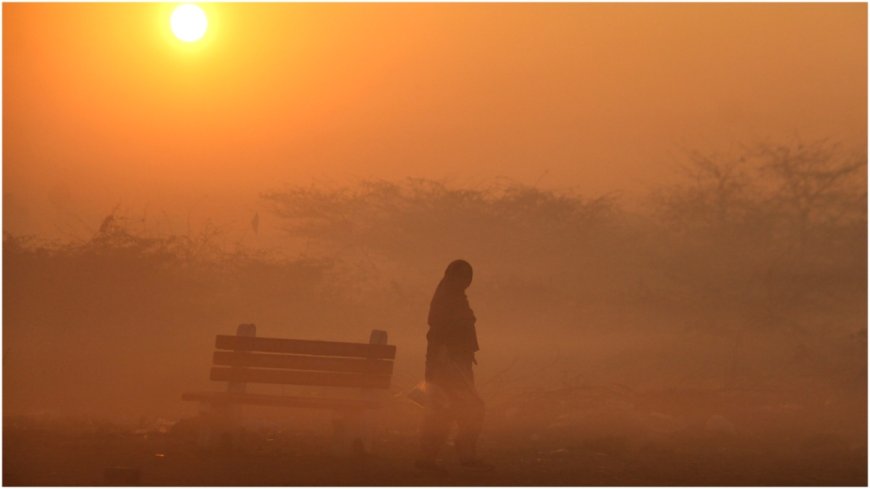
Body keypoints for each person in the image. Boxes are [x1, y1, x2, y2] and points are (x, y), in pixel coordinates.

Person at [416, 259, 491, 472]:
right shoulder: (448, 299)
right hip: (450, 364)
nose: (467, 282)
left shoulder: (450, 296)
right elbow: (439, 333)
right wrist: (443, 362)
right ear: (454, 277)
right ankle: (457, 453)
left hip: (455, 363)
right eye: (464, 277)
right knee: (464, 408)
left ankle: (433, 457)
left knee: (448, 409)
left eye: (469, 278)